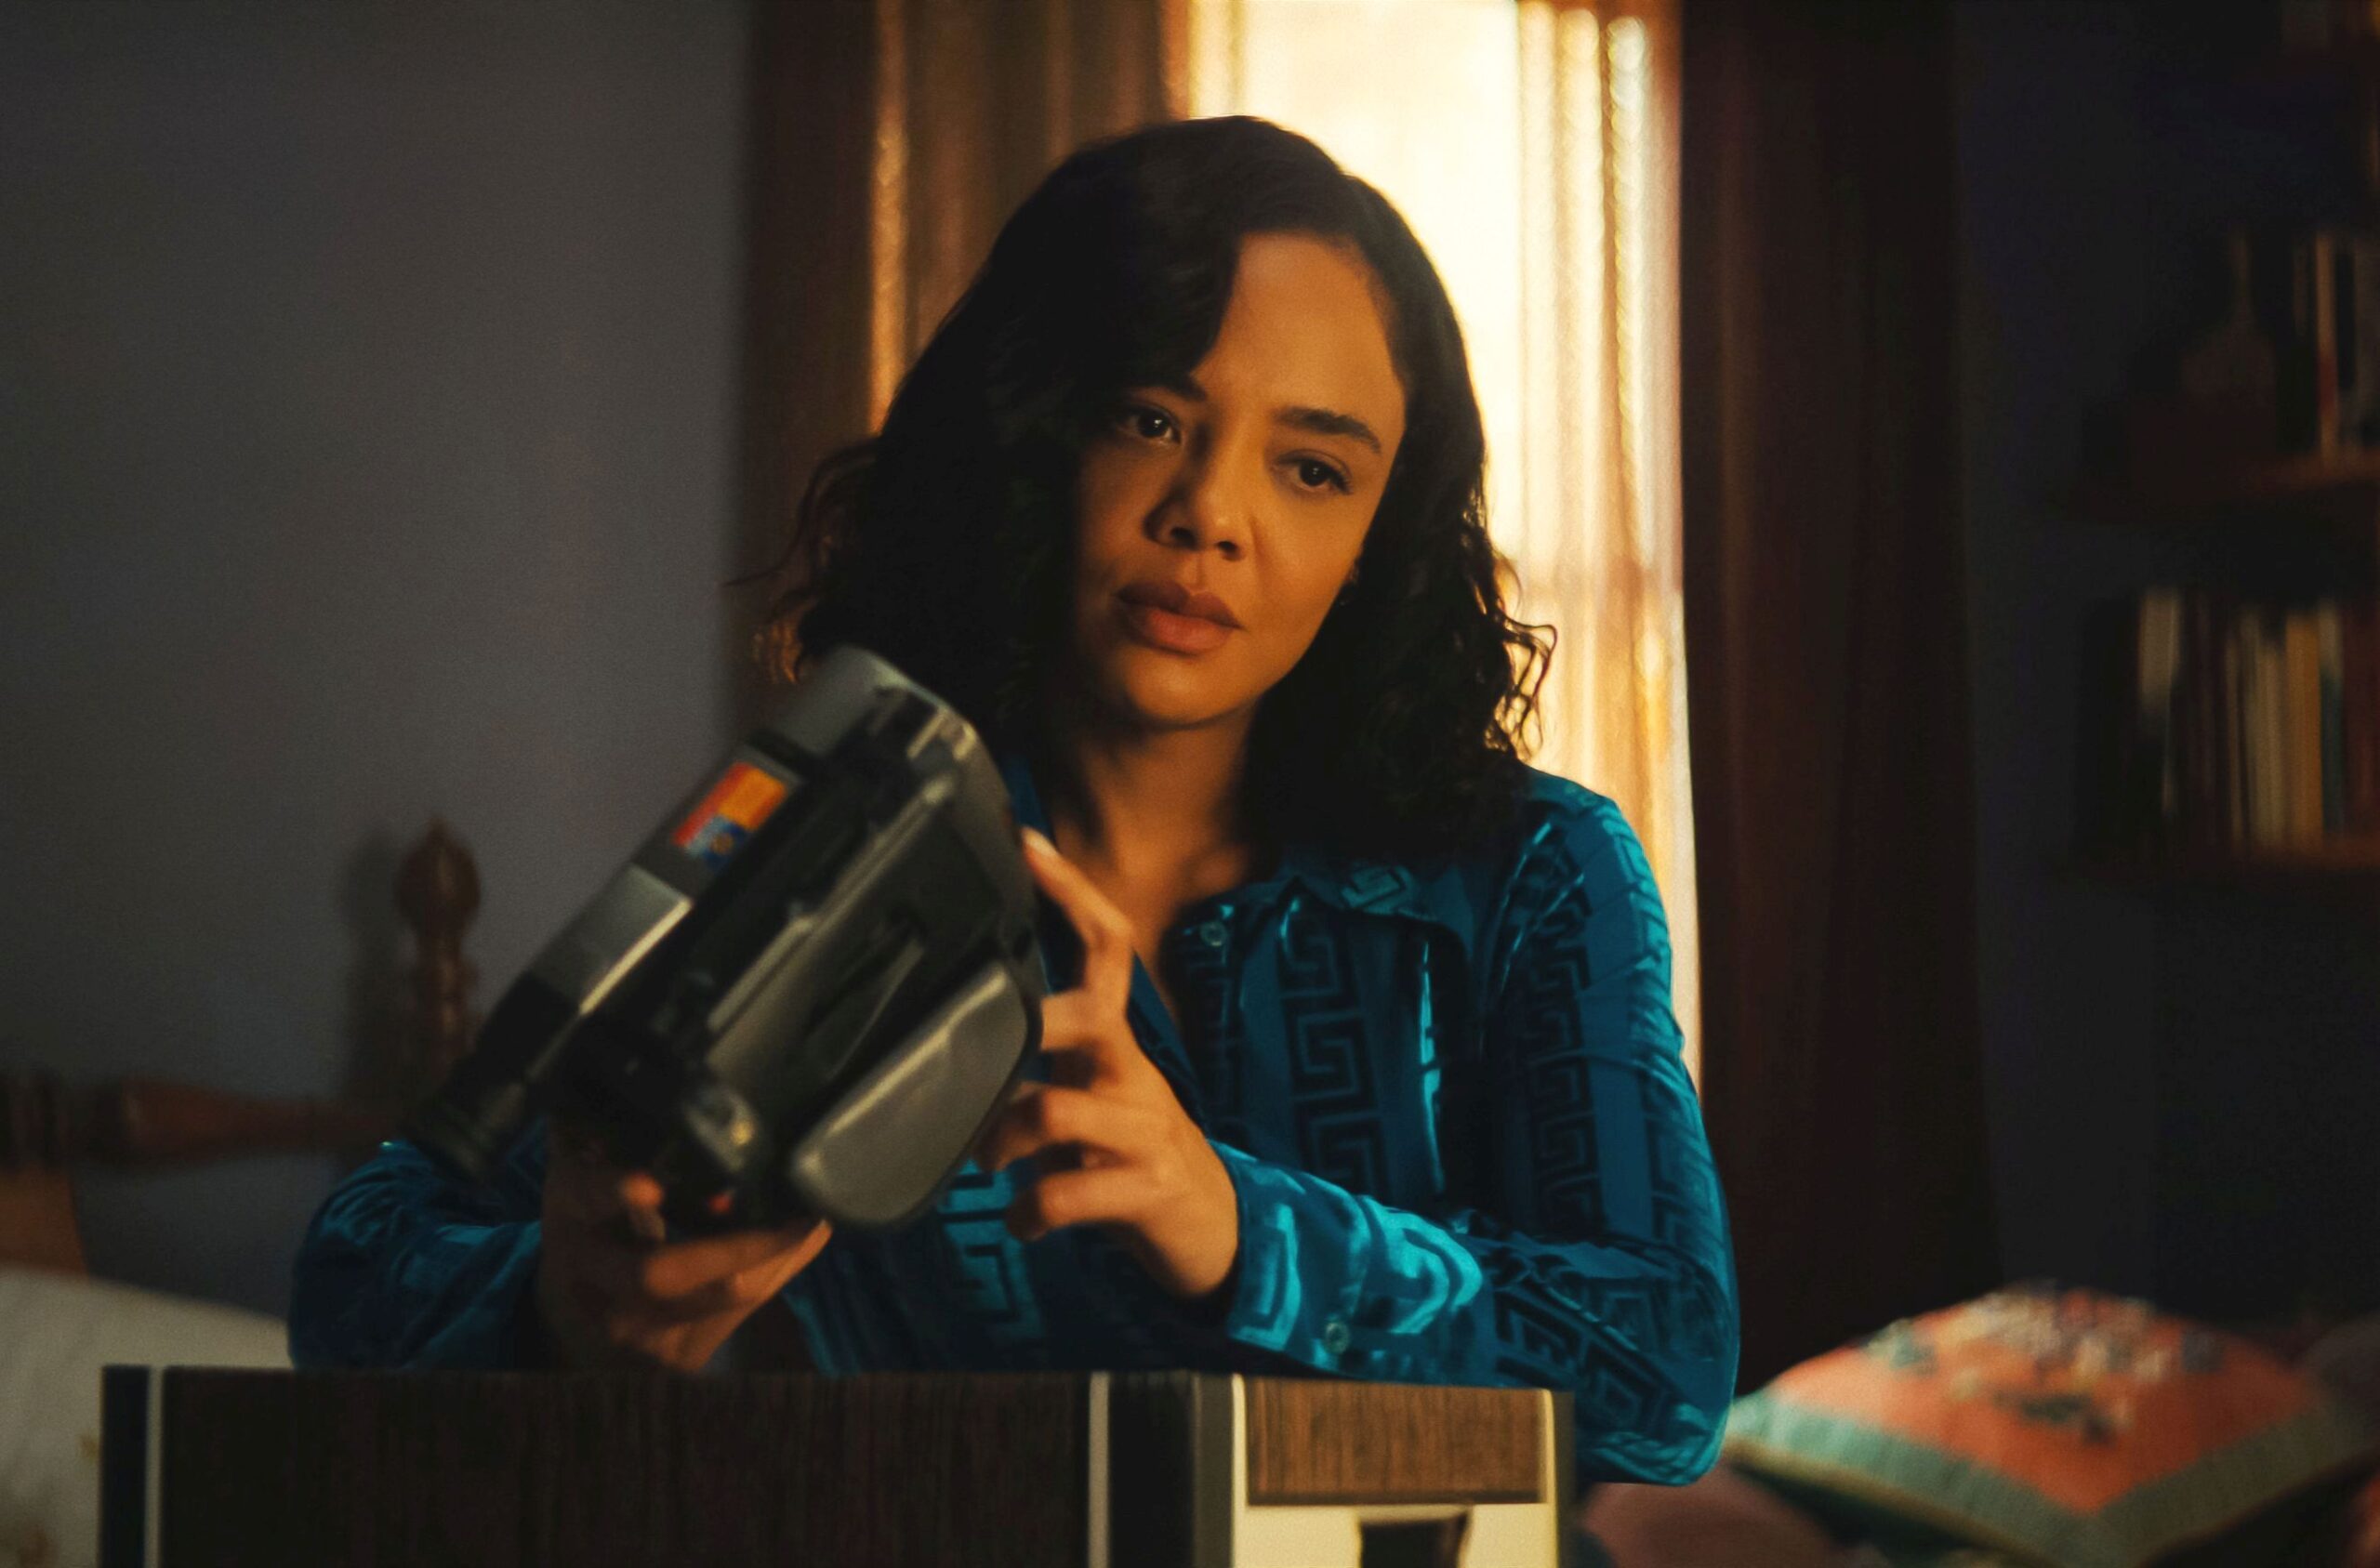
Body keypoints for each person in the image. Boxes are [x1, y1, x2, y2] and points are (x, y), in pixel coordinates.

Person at [290, 114, 1739, 1489]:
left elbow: (1668, 1372)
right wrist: (564, 1300)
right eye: (1150, 418)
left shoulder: (1536, 873)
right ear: (1035, 433)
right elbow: (353, 1273)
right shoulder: (819, 854)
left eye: (1312, 468)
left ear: (1380, 534)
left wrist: (1239, 1225)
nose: (1211, 514)